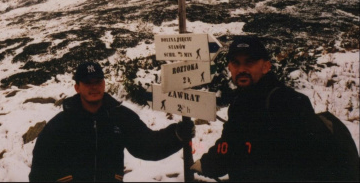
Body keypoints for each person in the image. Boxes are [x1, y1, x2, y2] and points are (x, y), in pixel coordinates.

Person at [190, 36, 342, 182]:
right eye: (236, 63)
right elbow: (231, 145)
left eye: (249, 62)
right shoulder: (240, 101)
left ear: (266, 66)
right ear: (229, 67)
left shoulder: (287, 102)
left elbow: (306, 162)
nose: (241, 69)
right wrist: (207, 164)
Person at [29, 61, 194, 182]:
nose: (94, 87)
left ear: (104, 83)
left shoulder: (120, 117)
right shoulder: (61, 124)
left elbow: (146, 145)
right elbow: (40, 170)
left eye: (98, 81)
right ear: (77, 87)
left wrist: (176, 135)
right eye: (88, 83)